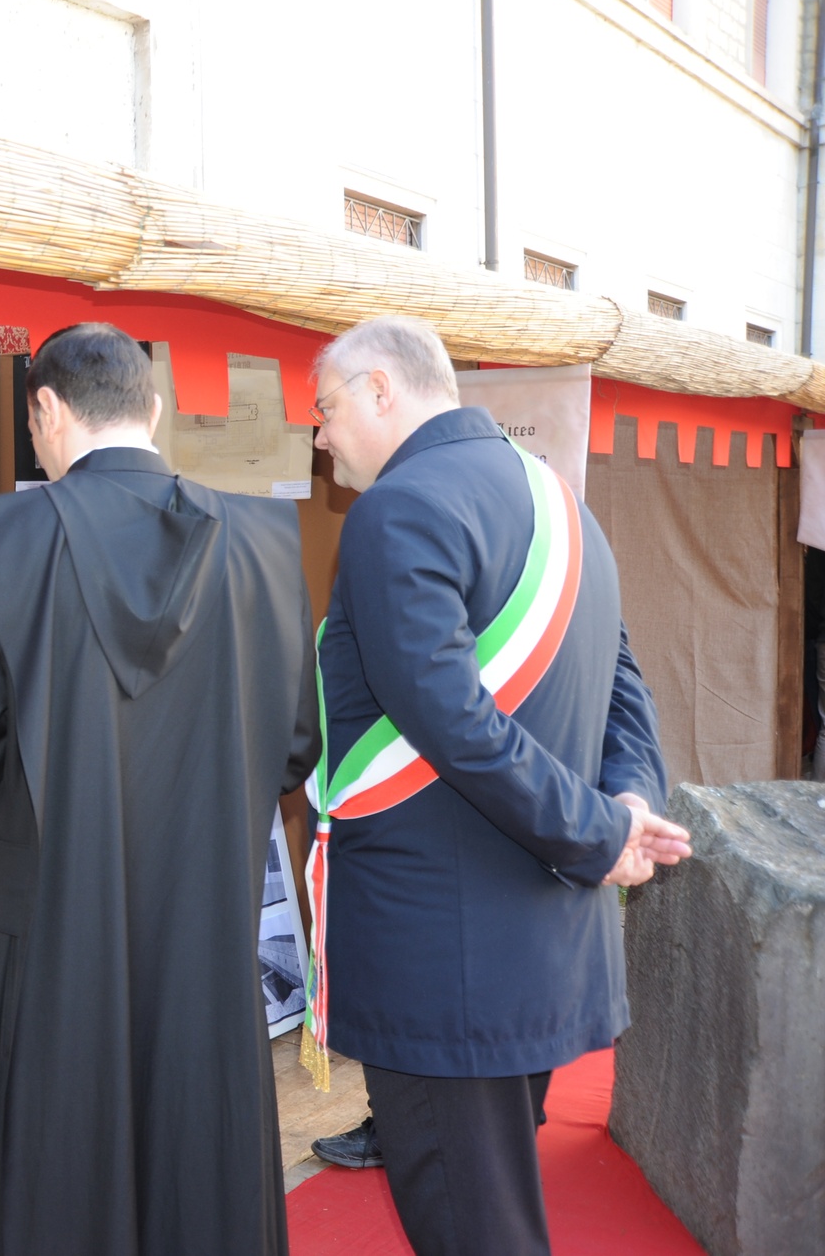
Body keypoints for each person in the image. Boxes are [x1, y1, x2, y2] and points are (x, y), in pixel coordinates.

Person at [0, 323, 318, 1256]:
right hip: (205, 934)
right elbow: (295, 747)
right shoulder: (262, 540)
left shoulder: (2, 538)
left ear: (46, 411)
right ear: (156, 410)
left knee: (48, 1185)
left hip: (47, 931)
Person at [305, 316, 688, 1256]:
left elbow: (450, 721)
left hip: (446, 961)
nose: (318, 434)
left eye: (325, 407)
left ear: (382, 388)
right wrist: (630, 801)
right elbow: (624, 685)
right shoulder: (562, 505)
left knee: (476, 1231)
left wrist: (602, 831)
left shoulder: (397, 509)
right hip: (537, 951)